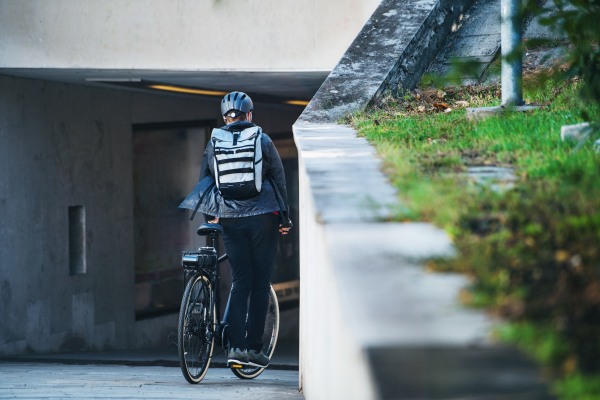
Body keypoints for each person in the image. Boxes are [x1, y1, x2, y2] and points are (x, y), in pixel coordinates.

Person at [196, 92, 292, 368]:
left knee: (240, 282)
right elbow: (279, 179)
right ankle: (254, 349)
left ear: (225, 117)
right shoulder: (262, 139)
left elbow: (205, 181)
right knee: (260, 285)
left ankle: (235, 348)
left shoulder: (215, 142)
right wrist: (284, 218)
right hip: (264, 217)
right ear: (249, 115)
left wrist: (211, 215)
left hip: (230, 219)